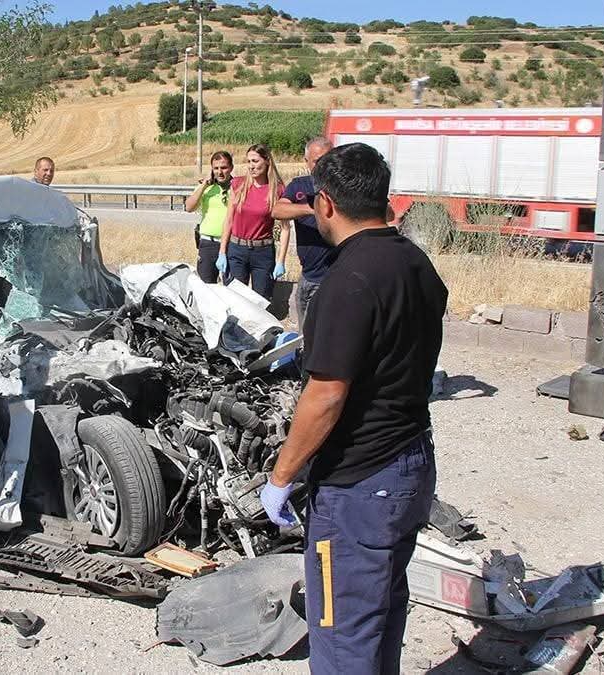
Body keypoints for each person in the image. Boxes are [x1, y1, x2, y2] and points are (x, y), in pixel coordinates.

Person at [259, 143, 448, 673]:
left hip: (359, 483)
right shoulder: (415, 262)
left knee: (342, 628)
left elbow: (326, 395)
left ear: (324, 203)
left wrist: (281, 477)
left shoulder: (347, 281)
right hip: (410, 463)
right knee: (381, 612)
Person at [271, 137, 335, 328]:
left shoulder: (343, 187)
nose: (323, 166)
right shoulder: (300, 186)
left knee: (321, 333)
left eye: (327, 160)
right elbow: (277, 210)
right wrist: (311, 208)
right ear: (306, 161)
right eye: (317, 161)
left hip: (331, 278)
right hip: (307, 275)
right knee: (304, 333)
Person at [216, 143, 289, 300]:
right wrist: (222, 252)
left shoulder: (277, 190)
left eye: (255, 161)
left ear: (267, 161)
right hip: (237, 250)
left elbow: (285, 228)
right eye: (248, 161)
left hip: (263, 252)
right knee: (235, 299)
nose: (251, 166)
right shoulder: (238, 185)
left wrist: (281, 261)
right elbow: (229, 220)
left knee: (261, 300)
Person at [183, 150, 233, 284]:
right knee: (205, 287)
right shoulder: (206, 187)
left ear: (231, 168)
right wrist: (204, 184)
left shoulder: (237, 187)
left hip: (231, 244)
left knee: (231, 288)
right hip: (208, 244)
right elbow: (189, 207)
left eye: (224, 168)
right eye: (216, 168)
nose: (220, 172)